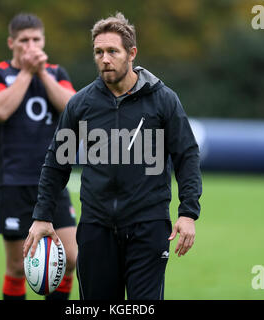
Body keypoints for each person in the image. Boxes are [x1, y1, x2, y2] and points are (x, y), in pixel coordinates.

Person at [23, 12, 202, 300]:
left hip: (149, 226)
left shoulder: (163, 100)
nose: (104, 59)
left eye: (112, 51)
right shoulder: (81, 105)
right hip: (96, 228)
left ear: (131, 53)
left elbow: (187, 156)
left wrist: (188, 212)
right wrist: (42, 216)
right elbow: (57, 163)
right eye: (98, 52)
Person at [0, 13, 77, 300]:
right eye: (24, 41)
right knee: (18, 266)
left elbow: (72, 108)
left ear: (44, 41)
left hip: (53, 181)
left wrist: (42, 72)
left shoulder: (57, 73)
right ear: (11, 43)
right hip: (14, 181)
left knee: (69, 258)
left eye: (36, 39)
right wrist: (25, 73)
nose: (30, 46)